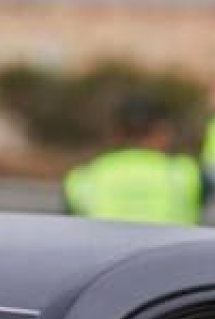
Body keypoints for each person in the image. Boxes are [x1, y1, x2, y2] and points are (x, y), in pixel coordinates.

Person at [63, 96, 205, 225]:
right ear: (162, 130)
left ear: (116, 132)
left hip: (108, 253)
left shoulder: (84, 178)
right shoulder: (185, 174)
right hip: (171, 254)